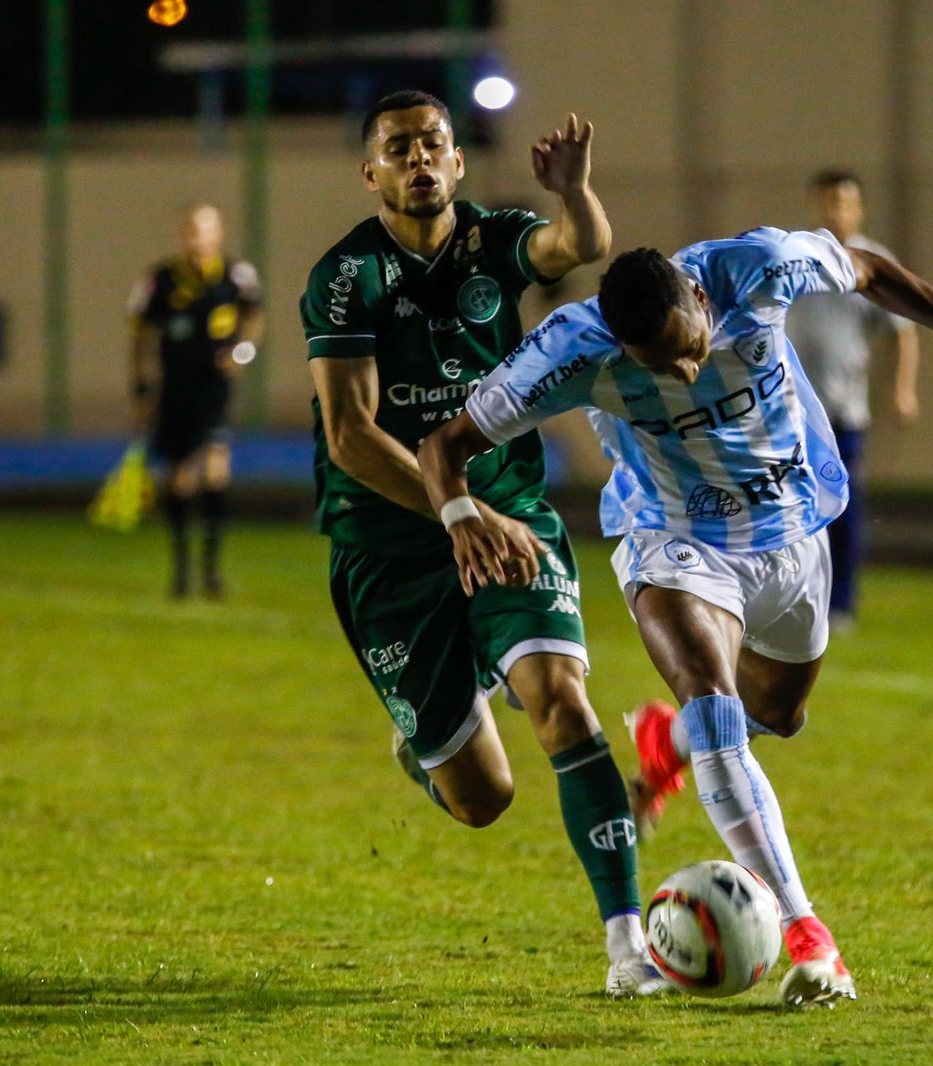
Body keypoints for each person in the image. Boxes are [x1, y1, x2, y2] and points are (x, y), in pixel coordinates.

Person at [419, 227, 933, 1008]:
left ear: (701, 299)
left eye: (688, 349)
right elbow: (445, 446)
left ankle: (666, 744)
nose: (685, 371)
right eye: (659, 366)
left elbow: (867, 270)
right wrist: (461, 514)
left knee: (780, 712)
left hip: (793, 533)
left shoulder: (758, 268)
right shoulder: (570, 352)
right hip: (678, 545)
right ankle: (811, 937)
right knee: (715, 708)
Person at [298, 90, 665, 997]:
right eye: (399, 148)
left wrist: (573, 191)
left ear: (459, 162)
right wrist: (454, 510)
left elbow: (579, 247)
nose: (419, 159)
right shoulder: (346, 275)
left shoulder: (492, 239)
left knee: (563, 705)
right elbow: (349, 435)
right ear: (371, 172)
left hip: (505, 515)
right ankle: (424, 745)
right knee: (483, 800)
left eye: (434, 144)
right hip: (391, 545)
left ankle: (628, 949)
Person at [785, 170, 919, 629]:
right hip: (790, 410)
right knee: (790, 508)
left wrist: (902, 389)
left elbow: (903, 330)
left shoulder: (872, 263)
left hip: (843, 410)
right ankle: (794, 599)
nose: (834, 212)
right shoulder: (796, 257)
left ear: (859, 209)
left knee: (840, 507)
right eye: (826, 202)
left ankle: (840, 603)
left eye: (843, 203)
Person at [128, 203, 263, 598]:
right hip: (174, 388)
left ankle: (212, 572)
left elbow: (255, 318)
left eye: (204, 230)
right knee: (180, 478)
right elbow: (140, 335)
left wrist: (241, 353)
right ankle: (181, 570)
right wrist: (141, 386)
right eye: (190, 231)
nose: (196, 238)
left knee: (217, 469)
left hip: (214, 387)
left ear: (218, 234)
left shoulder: (236, 276)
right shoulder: (160, 280)